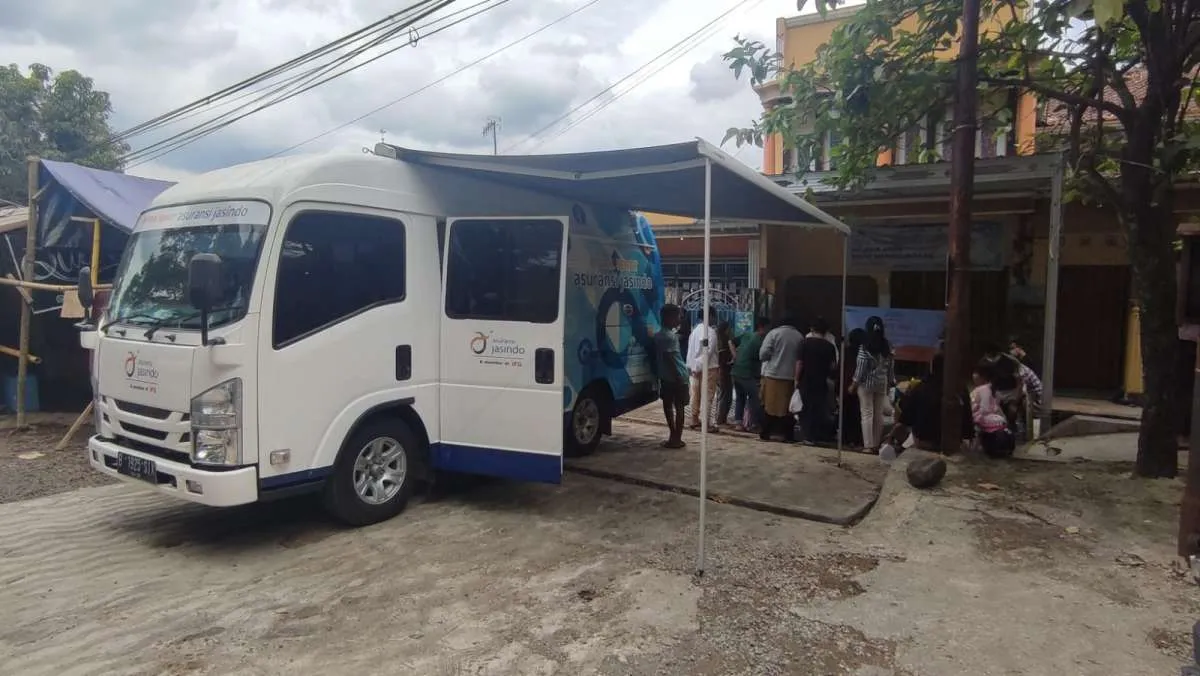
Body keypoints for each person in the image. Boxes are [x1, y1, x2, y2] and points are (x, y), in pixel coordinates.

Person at [897, 354, 973, 451]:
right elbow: (968, 420)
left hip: (926, 441)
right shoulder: (961, 389)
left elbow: (905, 419)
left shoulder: (922, 388)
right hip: (955, 441)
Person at [851, 316, 896, 452]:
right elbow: (890, 367)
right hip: (881, 383)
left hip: (866, 385)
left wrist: (853, 384)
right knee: (878, 414)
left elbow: (861, 368)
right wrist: (890, 382)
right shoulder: (887, 345)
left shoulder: (865, 346)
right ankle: (876, 444)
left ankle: (868, 446)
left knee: (866, 414)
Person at [758, 317, 805, 442]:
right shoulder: (799, 336)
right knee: (787, 408)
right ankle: (787, 435)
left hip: (772, 376)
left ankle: (766, 433)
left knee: (769, 406)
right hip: (790, 377)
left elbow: (763, 354)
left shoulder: (773, 333)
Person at [796, 317, 838, 443]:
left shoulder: (804, 343)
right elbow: (833, 366)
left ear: (812, 329)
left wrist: (796, 379)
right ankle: (816, 435)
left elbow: (799, 363)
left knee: (805, 409)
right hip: (821, 381)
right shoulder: (829, 346)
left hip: (805, 380)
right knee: (818, 408)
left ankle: (808, 436)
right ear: (825, 332)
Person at [654, 304, 689, 448]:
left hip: (666, 378)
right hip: (678, 376)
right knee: (679, 407)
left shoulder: (658, 335)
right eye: (677, 317)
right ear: (668, 318)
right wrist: (679, 377)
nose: (679, 320)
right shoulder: (670, 337)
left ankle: (673, 435)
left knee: (667, 405)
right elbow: (670, 358)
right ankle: (677, 438)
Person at [732, 317, 769, 432]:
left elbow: (731, 342)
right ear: (763, 327)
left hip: (736, 371)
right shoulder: (760, 341)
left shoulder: (747, 335)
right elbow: (764, 357)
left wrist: (735, 356)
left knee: (740, 398)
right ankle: (753, 424)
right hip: (746, 373)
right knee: (755, 398)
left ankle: (738, 423)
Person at [971, 361, 1015, 458]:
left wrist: (973, 414)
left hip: (986, 419)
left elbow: (984, 409)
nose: (973, 375)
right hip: (997, 419)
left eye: (975, 373)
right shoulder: (992, 388)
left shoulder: (982, 389)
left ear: (982, 376)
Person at [686, 309, 721, 431]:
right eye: (714, 316)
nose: (715, 319)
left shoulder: (694, 331)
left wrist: (692, 367)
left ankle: (694, 419)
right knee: (707, 395)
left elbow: (690, 351)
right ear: (709, 316)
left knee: (695, 395)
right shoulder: (710, 332)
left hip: (694, 369)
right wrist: (699, 367)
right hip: (709, 368)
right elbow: (708, 352)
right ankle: (706, 423)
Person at [840, 328, 865, 448]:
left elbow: (840, 369)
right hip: (860, 387)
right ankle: (857, 439)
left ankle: (845, 438)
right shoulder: (864, 353)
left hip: (845, 386)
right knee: (858, 414)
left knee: (845, 413)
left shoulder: (845, 351)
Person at [715, 320, 736, 427]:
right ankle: (720, 419)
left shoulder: (722, 341)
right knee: (725, 395)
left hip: (723, 371)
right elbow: (723, 359)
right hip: (724, 371)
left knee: (724, 394)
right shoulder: (724, 342)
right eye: (729, 328)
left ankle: (721, 418)